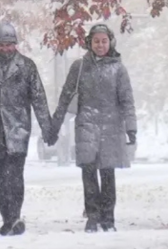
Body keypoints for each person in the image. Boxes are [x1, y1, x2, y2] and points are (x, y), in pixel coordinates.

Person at [0, 22, 54, 236]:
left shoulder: (27, 66)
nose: (5, 48)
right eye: (2, 44)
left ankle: (14, 217)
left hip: (17, 128)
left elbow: (39, 98)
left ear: (15, 44)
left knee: (15, 176)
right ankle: (8, 218)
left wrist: (47, 127)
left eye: (9, 44)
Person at [49, 24, 136, 233]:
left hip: (112, 127)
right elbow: (65, 97)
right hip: (86, 125)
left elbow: (127, 100)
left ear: (110, 42)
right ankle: (92, 217)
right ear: (90, 43)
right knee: (88, 173)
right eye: (96, 41)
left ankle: (109, 218)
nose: (100, 45)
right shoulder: (78, 67)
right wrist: (54, 125)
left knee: (108, 174)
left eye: (104, 41)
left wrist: (131, 128)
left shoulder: (118, 69)